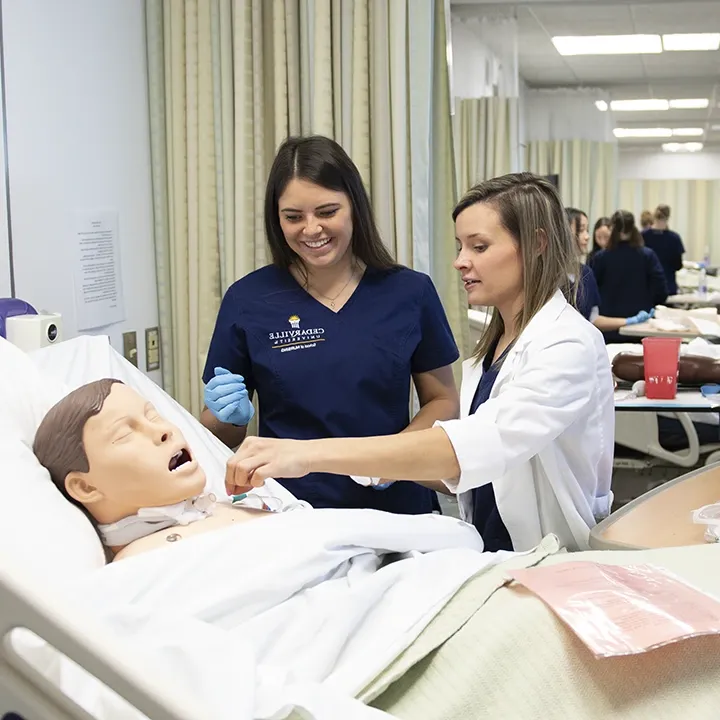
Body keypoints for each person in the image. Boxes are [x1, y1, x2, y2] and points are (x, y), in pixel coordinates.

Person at [225, 172, 616, 553]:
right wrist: (382, 466)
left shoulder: (568, 344)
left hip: (550, 555)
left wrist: (304, 454)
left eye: (478, 247)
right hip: (492, 549)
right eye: (459, 246)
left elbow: (476, 447)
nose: (460, 262)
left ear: (536, 244)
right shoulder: (496, 346)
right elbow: (461, 475)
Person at [200, 135, 460, 515]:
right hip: (290, 510)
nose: (311, 229)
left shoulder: (409, 291)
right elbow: (217, 433)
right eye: (293, 217)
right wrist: (227, 418)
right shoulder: (248, 299)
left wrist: (391, 458)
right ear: (277, 219)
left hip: (393, 506)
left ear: (354, 207)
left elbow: (443, 400)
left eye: (326, 211)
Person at [33, 379, 290, 562]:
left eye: (153, 417)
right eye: (124, 434)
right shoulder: (140, 564)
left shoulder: (228, 506)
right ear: (85, 487)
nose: (164, 430)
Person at [566, 207, 652, 333]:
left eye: (587, 230)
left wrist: (629, 321)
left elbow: (593, 318)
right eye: (581, 230)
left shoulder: (586, 273)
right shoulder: (548, 276)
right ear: (562, 232)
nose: (587, 237)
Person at [592, 210, 668, 343]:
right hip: (642, 328)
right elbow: (661, 292)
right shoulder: (647, 256)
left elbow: (591, 295)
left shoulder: (600, 258)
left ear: (612, 229)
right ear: (633, 228)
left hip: (609, 329)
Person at [642, 204, 685, 296]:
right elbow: (678, 265)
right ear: (668, 217)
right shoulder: (674, 238)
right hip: (668, 287)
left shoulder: (642, 236)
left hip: (647, 288)